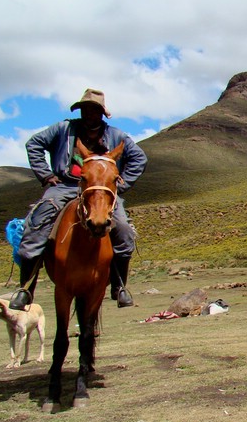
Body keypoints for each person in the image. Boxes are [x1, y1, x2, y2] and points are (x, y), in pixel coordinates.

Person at [9, 88, 147, 310]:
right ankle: (26, 288)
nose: (89, 113)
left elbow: (139, 158)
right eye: (85, 109)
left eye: (94, 110)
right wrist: (45, 175)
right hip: (65, 186)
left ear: (101, 113)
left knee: (122, 228)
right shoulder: (63, 129)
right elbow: (34, 144)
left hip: (100, 190)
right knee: (37, 223)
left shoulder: (116, 136)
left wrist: (120, 185)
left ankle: (119, 285)